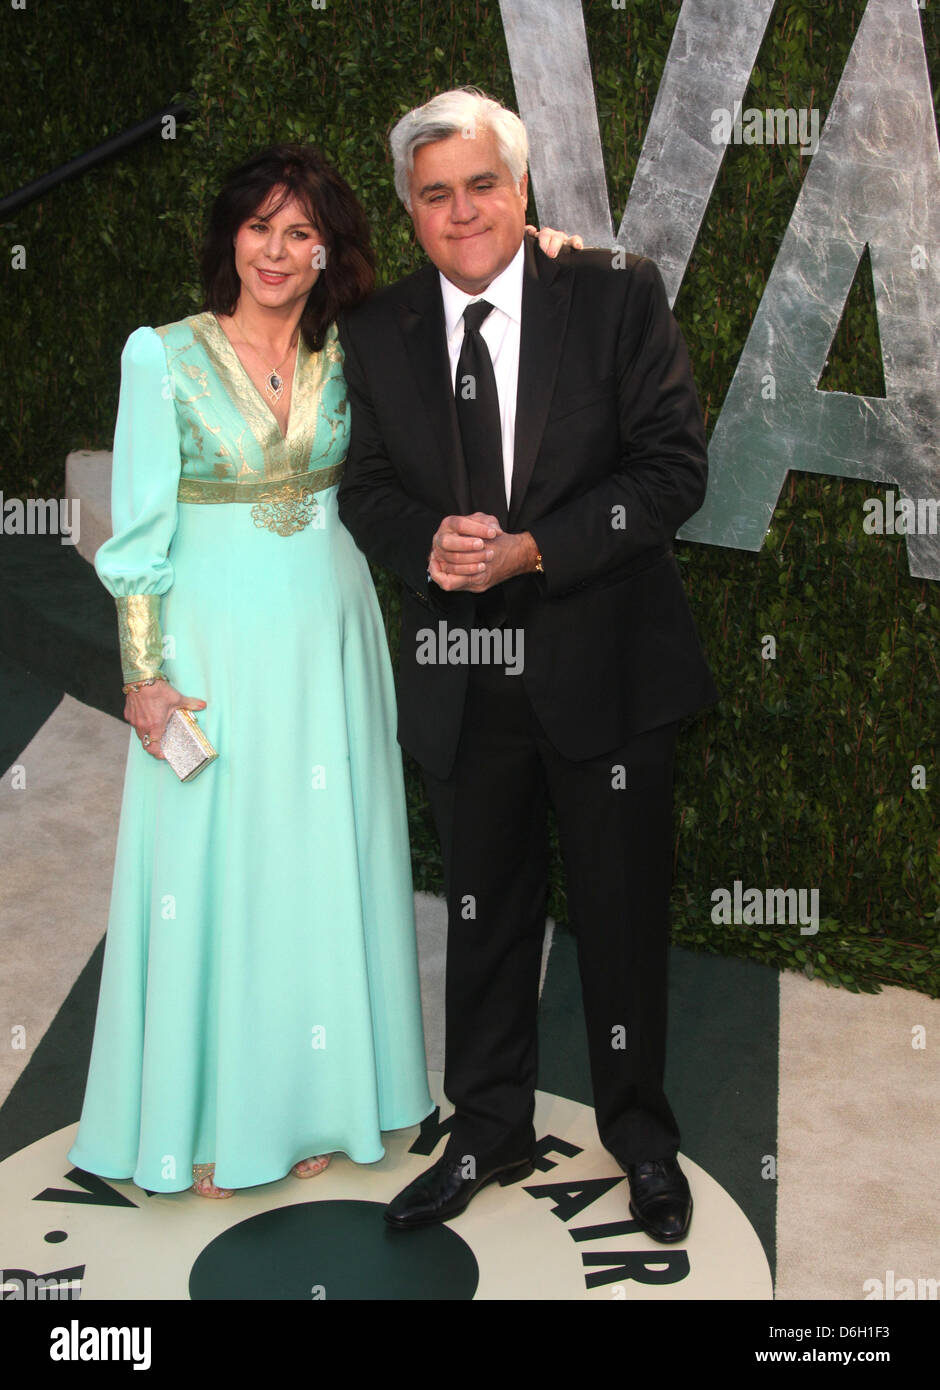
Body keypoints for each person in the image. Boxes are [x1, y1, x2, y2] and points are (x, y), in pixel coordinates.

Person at [68, 142, 575, 1200]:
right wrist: (144, 674)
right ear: (230, 236)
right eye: (259, 226)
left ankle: (315, 1102)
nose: (275, 250)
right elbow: (138, 532)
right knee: (220, 872)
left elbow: (469, 295)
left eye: (300, 232)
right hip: (212, 649)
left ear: (327, 251)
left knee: (318, 867)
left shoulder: (358, 350)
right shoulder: (161, 355)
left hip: (332, 641)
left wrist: (543, 251)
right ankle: (214, 1117)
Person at [337, 89, 719, 1242]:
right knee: (482, 916)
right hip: (462, 673)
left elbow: (672, 469)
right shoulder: (378, 330)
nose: (461, 212)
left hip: (607, 667)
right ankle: (488, 1125)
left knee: (619, 916)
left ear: (520, 188)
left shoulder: (613, 294)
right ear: (410, 211)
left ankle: (640, 1138)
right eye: (434, 195)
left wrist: (536, 547)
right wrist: (428, 544)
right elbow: (365, 488)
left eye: (480, 185)